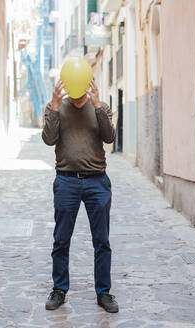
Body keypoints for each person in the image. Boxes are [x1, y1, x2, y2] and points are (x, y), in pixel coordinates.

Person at [42, 72, 119, 313]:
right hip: (66, 182)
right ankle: (59, 289)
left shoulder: (101, 106)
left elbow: (110, 137)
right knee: (61, 240)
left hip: (97, 182)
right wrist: (54, 108)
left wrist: (97, 106)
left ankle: (103, 293)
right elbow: (48, 139)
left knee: (102, 241)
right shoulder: (55, 107)